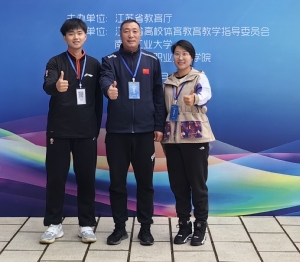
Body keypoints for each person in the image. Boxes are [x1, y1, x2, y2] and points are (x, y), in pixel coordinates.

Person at [100, 19, 166, 246]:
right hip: (117, 133)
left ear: (141, 34)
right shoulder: (109, 60)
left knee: (145, 183)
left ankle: (145, 228)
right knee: (117, 183)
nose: (131, 35)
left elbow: (158, 95)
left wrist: (159, 126)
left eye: (135, 31)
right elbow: (105, 79)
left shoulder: (152, 60)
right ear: (120, 35)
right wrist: (108, 90)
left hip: (145, 133)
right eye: (126, 31)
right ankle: (119, 228)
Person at [40, 18, 103, 244]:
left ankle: (86, 224)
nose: (76, 37)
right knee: (56, 178)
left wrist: (95, 128)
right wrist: (56, 87)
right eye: (71, 34)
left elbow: (98, 101)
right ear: (64, 37)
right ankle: (54, 224)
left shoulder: (94, 65)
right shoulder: (55, 62)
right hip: (59, 131)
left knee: (86, 179)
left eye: (79, 33)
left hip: (86, 132)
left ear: (85, 36)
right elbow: (47, 86)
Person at [162, 40, 214, 246]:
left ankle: (200, 226)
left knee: (197, 185)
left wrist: (196, 99)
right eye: (177, 53)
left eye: (185, 54)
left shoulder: (199, 77)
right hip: (172, 140)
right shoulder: (168, 81)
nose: (180, 57)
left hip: (195, 138)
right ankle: (184, 225)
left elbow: (206, 94)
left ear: (192, 57)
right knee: (179, 185)